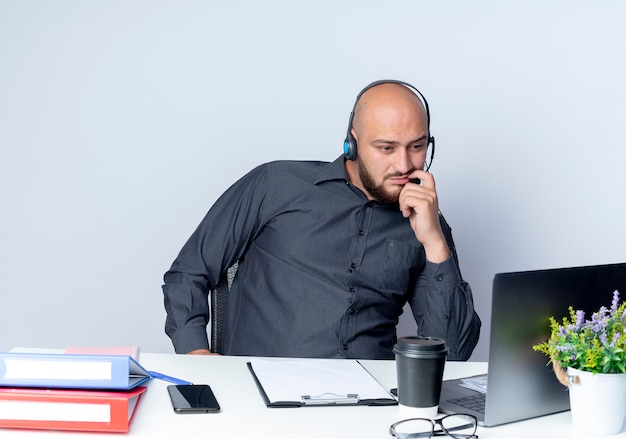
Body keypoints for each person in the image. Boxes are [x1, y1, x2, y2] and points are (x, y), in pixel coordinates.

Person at [162, 80, 481, 360]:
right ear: (352, 142)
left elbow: (451, 352)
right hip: (262, 395)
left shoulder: (426, 223)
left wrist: (435, 242)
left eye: (417, 147)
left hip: (370, 404)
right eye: (386, 147)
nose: (403, 164)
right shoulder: (276, 184)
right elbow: (188, 272)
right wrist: (195, 353)